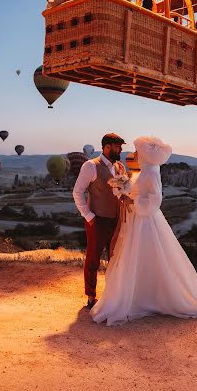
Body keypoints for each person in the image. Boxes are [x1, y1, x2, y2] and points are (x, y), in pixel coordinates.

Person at [90, 136, 197, 325]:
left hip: (144, 222)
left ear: (145, 153)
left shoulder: (152, 172)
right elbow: (137, 190)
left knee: (144, 256)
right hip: (136, 220)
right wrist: (122, 189)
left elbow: (155, 200)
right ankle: (140, 294)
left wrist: (132, 201)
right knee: (136, 257)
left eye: (137, 151)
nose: (135, 154)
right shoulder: (143, 170)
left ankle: (146, 297)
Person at [73, 132, 126, 309]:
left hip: (116, 220)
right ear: (107, 147)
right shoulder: (90, 166)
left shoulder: (119, 167)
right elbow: (77, 192)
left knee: (115, 260)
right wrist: (89, 216)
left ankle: (112, 296)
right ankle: (91, 297)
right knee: (93, 260)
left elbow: (123, 192)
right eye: (118, 147)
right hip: (97, 220)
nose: (120, 150)